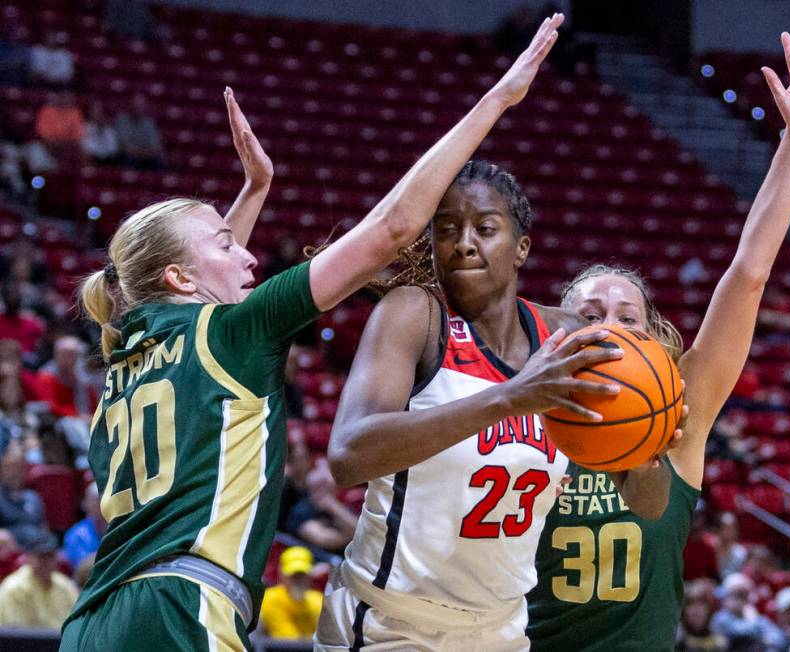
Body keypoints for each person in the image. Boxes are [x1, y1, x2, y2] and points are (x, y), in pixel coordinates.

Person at [60, 19, 571, 650]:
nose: (247, 256)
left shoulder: (127, 356)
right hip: (181, 609)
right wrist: (500, 98)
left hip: (93, 619)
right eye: (227, 242)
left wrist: (253, 194)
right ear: (180, 276)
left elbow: (198, 294)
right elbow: (392, 228)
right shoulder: (234, 332)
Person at [527, 27, 790, 651]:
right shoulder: (511, 409)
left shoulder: (681, 412)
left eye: (627, 318)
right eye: (589, 313)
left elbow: (749, 274)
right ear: (551, 331)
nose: (607, 328)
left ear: (655, 341)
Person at [314, 17, 616, 650]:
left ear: (522, 247)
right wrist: (508, 399)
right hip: (388, 623)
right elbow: (347, 454)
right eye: (447, 228)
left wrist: (653, 438)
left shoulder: (563, 336)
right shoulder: (412, 314)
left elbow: (642, 490)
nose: (463, 242)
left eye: (485, 227)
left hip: (502, 631)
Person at [0, 529, 79, 629]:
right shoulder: (14, 588)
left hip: (63, 642)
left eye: (50, 556)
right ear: (28, 557)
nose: (46, 562)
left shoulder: (65, 585)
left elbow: (77, 623)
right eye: (41, 557)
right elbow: (16, 634)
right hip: (26, 643)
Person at [286, 463, 357, 557]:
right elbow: (328, 540)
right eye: (323, 487)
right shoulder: (301, 511)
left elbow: (360, 529)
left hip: (345, 559)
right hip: (314, 562)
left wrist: (334, 507)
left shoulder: (338, 507)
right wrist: (353, 536)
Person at [260, 546, 323, 640]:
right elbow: (288, 641)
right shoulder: (271, 599)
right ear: (282, 575)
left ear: (310, 576)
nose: (298, 580)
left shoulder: (319, 600)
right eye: (293, 575)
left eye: (302, 575)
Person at [711, 573, 788, 651]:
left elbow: (779, 638)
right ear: (726, 597)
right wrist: (755, 626)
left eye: (743, 595)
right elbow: (737, 632)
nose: (739, 600)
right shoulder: (720, 617)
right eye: (735, 595)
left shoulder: (756, 617)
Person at [0, 440, 47, 547]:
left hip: (37, 549)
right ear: (1, 470)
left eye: (19, 468)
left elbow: (44, 528)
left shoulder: (33, 497)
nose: (14, 473)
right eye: (9, 468)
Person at [63, 483, 107, 571]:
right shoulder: (75, 535)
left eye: (102, 502)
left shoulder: (118, 528)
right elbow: (82, 570)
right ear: (85, 504)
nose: (100, 507)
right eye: (95, 502)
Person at [115, 94, 165, 169]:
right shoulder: (122, 120)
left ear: (144, 107)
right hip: (129, 157)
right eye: (135, 106)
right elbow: (125, 146)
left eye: (139, 106)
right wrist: (143, 151)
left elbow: (155, 147)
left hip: (146, 157)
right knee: (127, 159)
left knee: (160, 162)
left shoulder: (149, 123)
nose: (137, 109)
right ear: (130, 106)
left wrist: (142, 152)